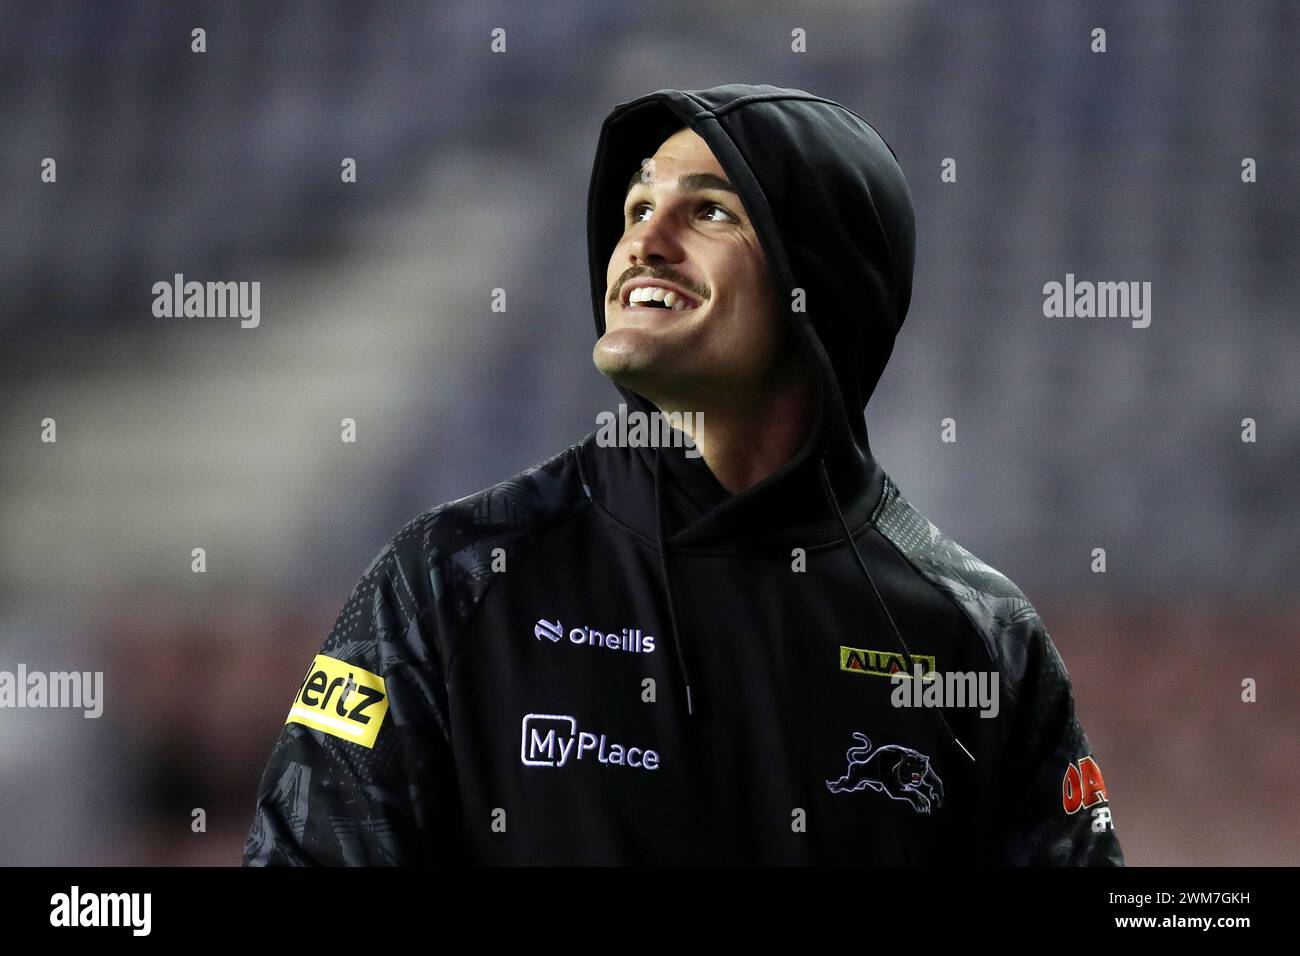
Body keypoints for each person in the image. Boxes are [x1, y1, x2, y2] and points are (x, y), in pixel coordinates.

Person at [242, 83, 1124, 865]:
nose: (645, 244)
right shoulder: (451, 576)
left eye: (709, 211)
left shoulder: (980, 638)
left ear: (824, 281)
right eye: (635, 209)